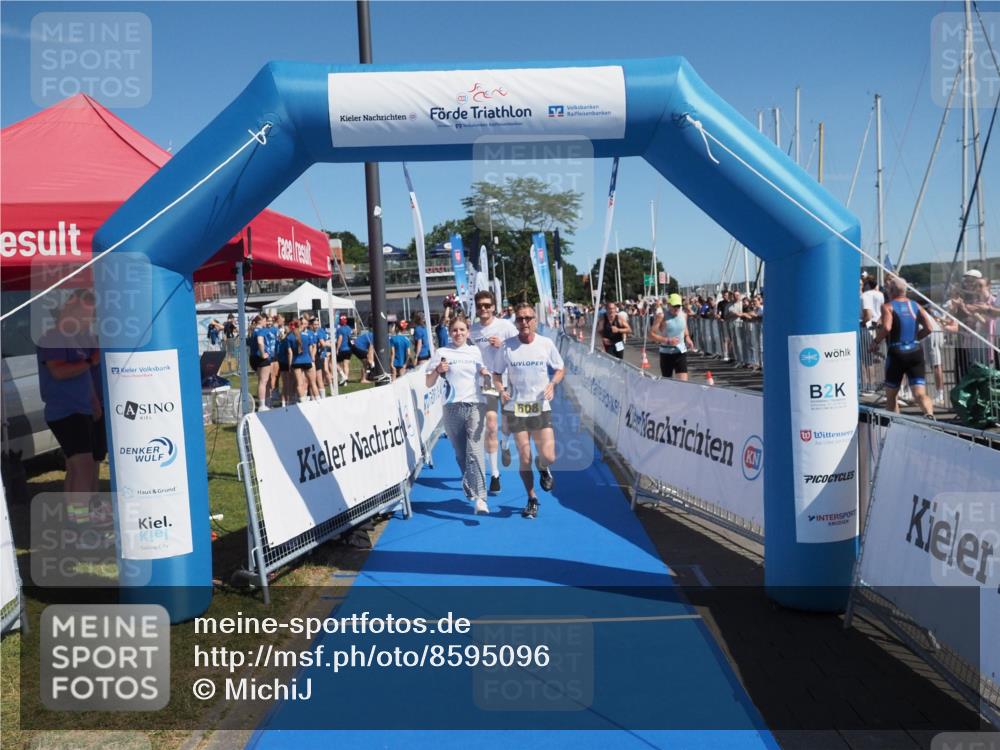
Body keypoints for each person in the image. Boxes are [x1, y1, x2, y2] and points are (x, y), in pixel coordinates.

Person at [37, 291, 105, 525]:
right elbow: (58, 371)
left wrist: (93, 401)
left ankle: (75, 520)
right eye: (86, 314)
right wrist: (90, 361)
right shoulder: (53, 337)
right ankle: (81, 523)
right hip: (65, 412)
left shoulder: (77, 338)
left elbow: (85, 377)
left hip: (81, 410)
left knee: (78, 468)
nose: (89, 319)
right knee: (83, 468)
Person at [494, 302, 565, 519]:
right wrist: (501, 390)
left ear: (535, 320)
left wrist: (552, 384)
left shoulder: (545, 343)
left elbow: (560, 368)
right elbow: (496, 374)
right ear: (515, 322)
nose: (524, 322)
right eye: (520, 318)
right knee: (524, 458)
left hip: (540, 406)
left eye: (528, 318)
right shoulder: (507, 347)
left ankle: (543, 466)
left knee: (549, 456)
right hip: (517, 408)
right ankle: (532, 498)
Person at [425, 316, 492, 514]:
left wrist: (485, 374)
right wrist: (438, 370)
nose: (458, 333)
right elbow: (428, 382)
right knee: (461, 454)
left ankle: (481, 498)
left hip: (475, 404)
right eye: (454, 330)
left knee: (475, 451)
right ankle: (470, 485)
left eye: (462, 329)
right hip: (451, 408)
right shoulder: (442, 353)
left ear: (468, 332)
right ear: (449, 332)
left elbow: (483, 369)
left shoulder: (474, 351)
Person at [470, 290, 519, 494]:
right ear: (476, 308)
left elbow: (519, 349)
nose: (483, 309)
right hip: (487, 382)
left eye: (487, 305)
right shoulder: (472, 331)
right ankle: (495, 474)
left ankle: (505, 445)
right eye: (480, 305)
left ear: (493, 307)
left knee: (508, 424)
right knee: (491, 425)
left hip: (507, 381)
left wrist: (503, 345)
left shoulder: (505, 326)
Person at [870, 275, 935, 418]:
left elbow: (887, 327)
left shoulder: (888, 307)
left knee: (891, 395)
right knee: (919, 393)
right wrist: (914, 339)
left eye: (888, 290)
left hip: (897, 352)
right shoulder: (916, 305)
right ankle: (930, 415)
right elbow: (929, 328)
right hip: (915, 351)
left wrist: (875, 342)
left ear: (892, 291)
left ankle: (894, 423)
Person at [650, 293, 695, 380]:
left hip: (680, 352)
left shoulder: (684, 315)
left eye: (678, 306)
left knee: (683, 383)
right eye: (674, 306)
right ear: (669, 305)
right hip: (666, 353)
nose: (677, 308)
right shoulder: (661, 316)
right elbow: (651, 335)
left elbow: (684, 329)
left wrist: (688, 338)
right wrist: (667, 340)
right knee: (668, 383)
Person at [248, 315, 273, 410]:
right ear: (261, 321)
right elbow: (260, 342)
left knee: (261, 381)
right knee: (263, 382)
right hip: (261, 358)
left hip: (253, 357)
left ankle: (264, 404)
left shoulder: (253, 331)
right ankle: (262, 405)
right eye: (265, 320)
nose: (266, 322)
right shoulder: (261, 330)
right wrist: (263, 354)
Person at [286, 320, 313, 402]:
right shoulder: (306, 335)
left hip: (296, 361)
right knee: (312, 382)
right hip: (307, 360)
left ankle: (302, 400)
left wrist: (290, 365)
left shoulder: (290, 337)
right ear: (301, 325)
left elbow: (290, 353)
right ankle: (317, 399)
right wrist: (312, 358)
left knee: (299, 383)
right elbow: (310, 349)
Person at [334, 314, 353, 385]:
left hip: (342, 349)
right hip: (349, 349)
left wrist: (337, 349)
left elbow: (340, 339)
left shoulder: (340, 329)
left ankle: (343, 376)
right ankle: (346, 381)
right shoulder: (349, 328)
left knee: (334, 363)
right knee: (346, 365)